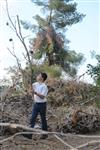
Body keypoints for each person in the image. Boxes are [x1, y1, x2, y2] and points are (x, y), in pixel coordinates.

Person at [23, 72, 48, 139]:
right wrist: (30, 90)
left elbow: (42, 97)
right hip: (36, 104)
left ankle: (45, 135)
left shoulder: (44, 86)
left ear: (42, 78)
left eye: (39, 75)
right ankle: (29, 135)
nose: (37, 76)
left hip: (42, 104)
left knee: (43, 119)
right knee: (32, 118)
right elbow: (31, 88)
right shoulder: (35, 84)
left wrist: (35, 93)